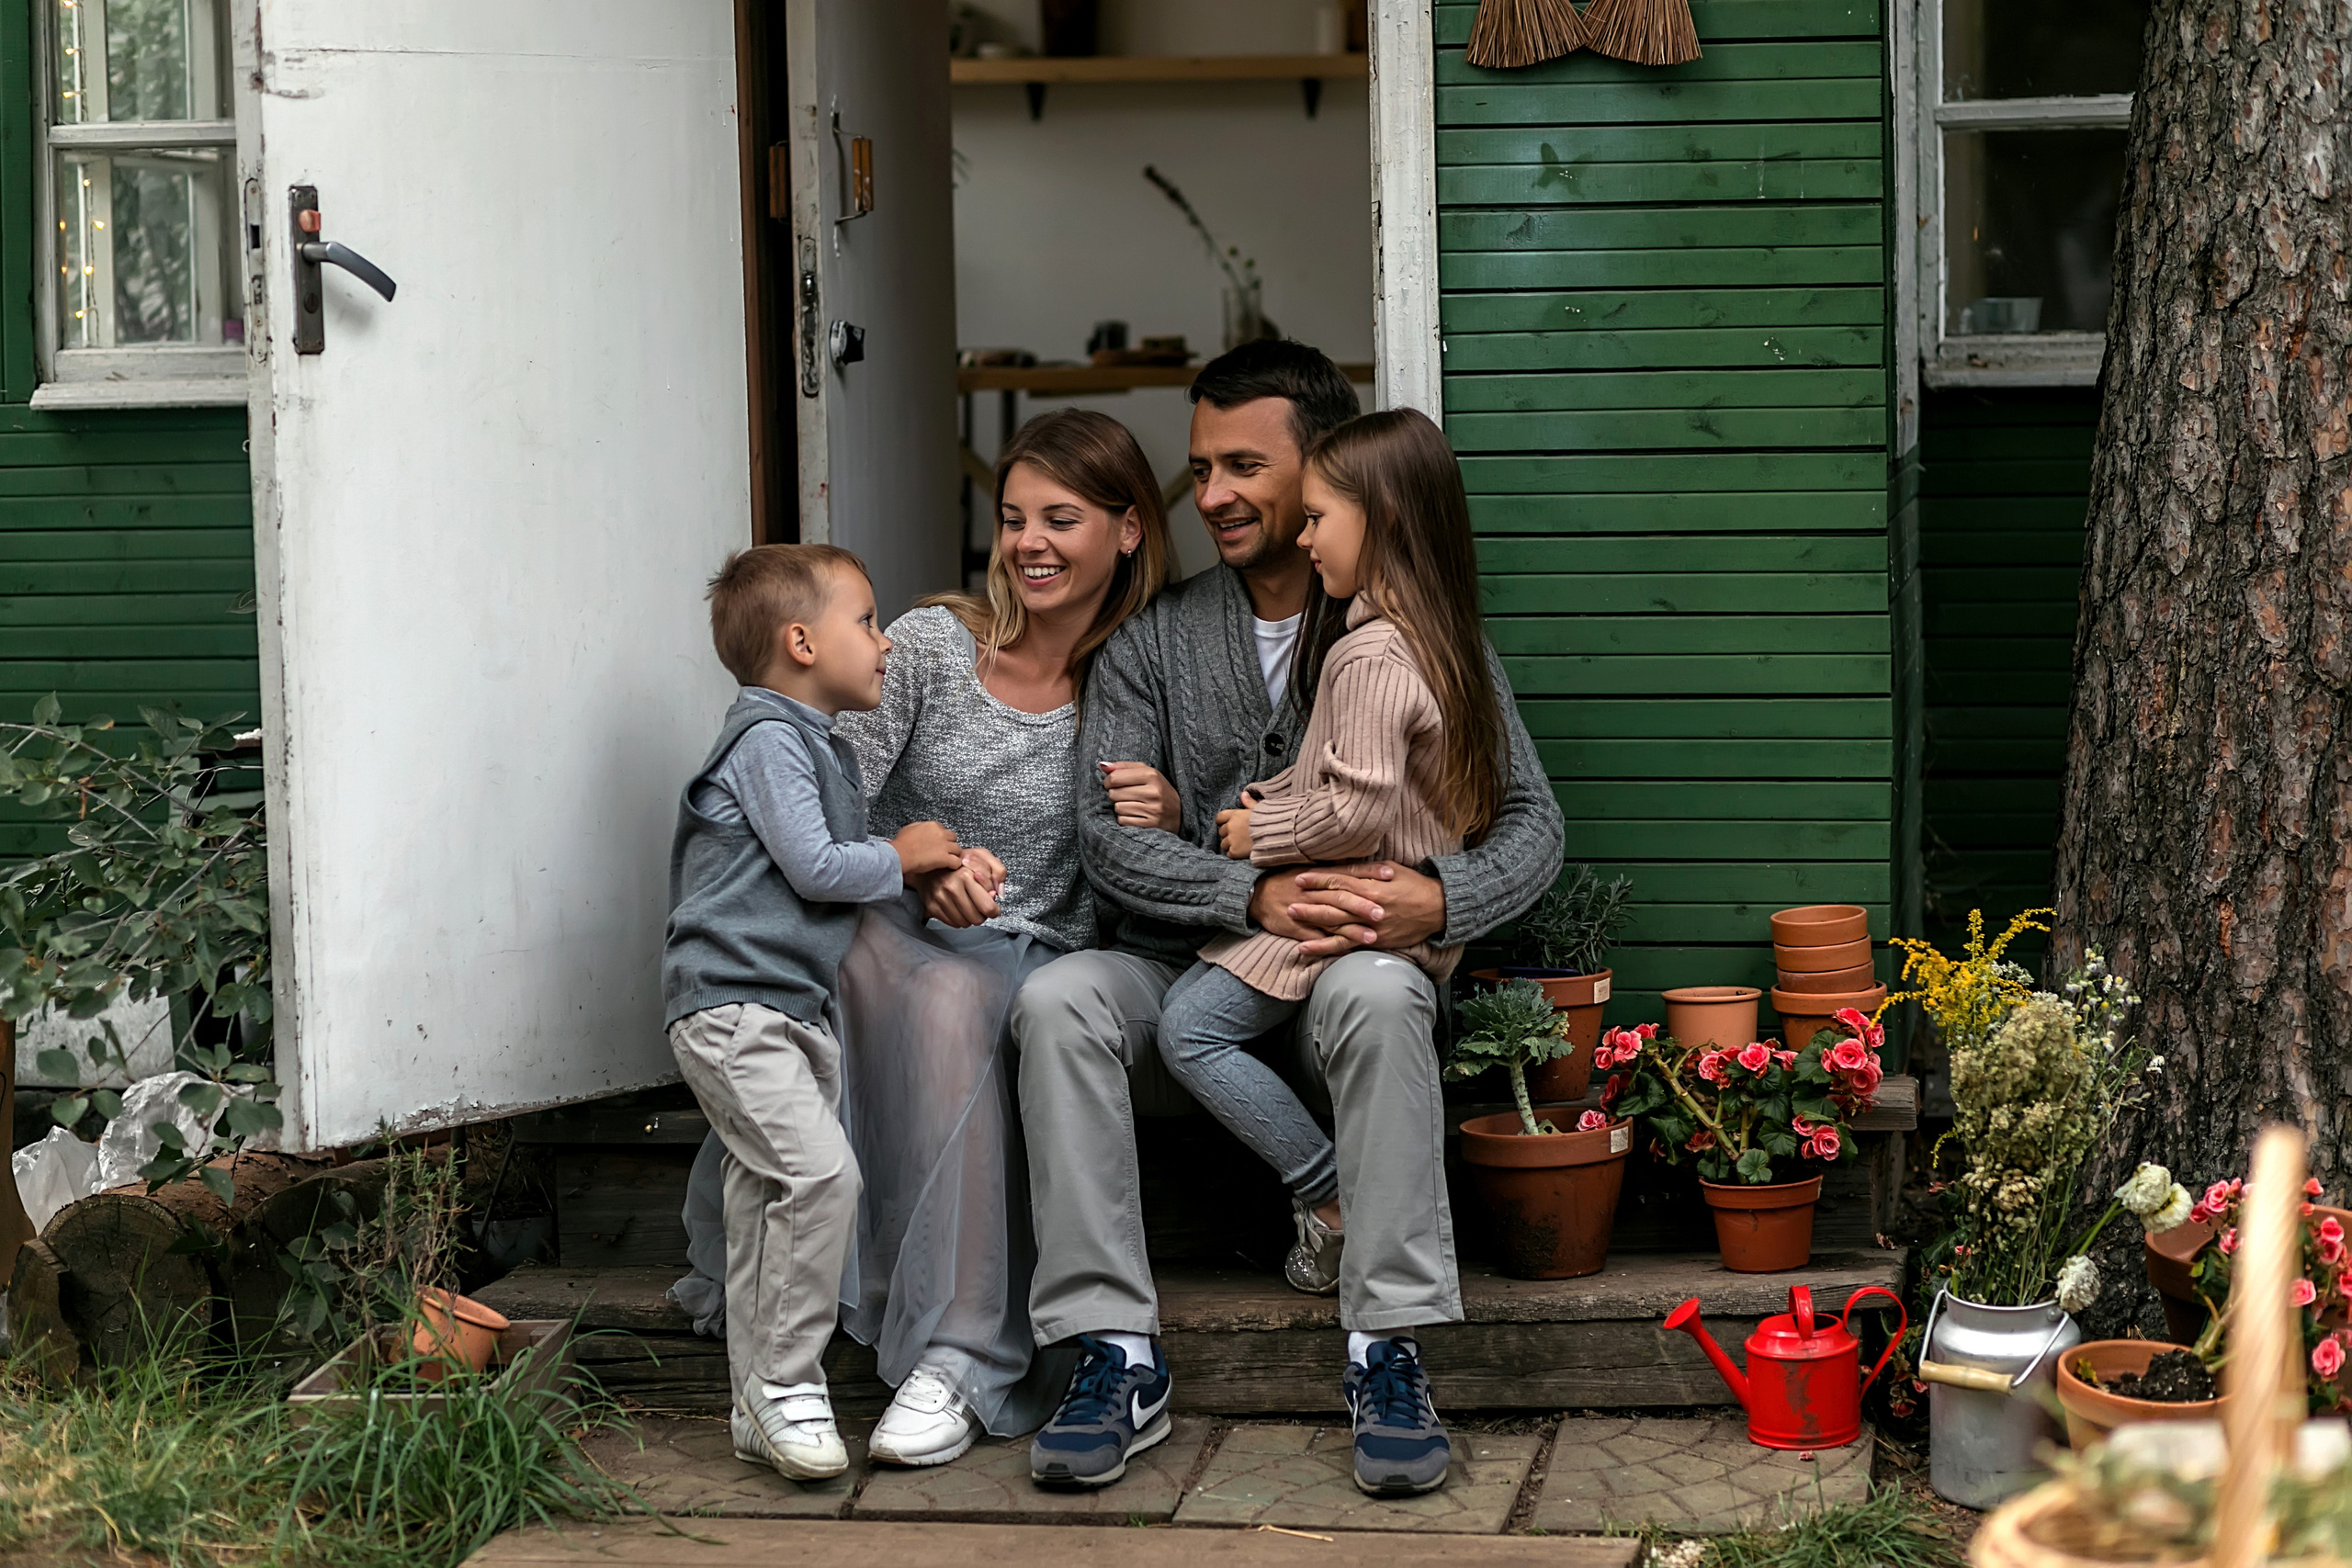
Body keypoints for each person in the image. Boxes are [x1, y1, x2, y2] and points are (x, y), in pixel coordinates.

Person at [1016, 342, 1565, 1497]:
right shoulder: (1155, 636)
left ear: (1324, 471)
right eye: (1198, 467)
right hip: (1183, 962)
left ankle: (1386, 1346)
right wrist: (1244, 888)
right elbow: (1104, 840)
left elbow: (1532, 824)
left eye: (1242, 467)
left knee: (1374, 989)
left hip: (1354, 965)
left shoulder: (1413, 628)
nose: (1210, 494)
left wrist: (1441, 896)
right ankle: (1111, 1349)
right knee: (1060, 999)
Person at [670, 410, 1173, 1471]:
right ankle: (794, 1351)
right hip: (881, 913)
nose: (1028, 542)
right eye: (1012, 517)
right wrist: (924, 863)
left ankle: (960, 1348)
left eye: (1061, 519)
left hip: (1032, 943)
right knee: (857, 962)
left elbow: (1144, 867)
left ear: (1127, 534)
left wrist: (1167, 811)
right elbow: (813, 807)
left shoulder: (1139, 678)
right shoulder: (934, 645)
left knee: (959, 1000)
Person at [1156, 411, 1500, 1495]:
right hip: (1354, 909)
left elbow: (1352, 809)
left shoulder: (1367, 647)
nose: (1307, 540)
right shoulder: (1432, 638)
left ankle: (1335, 1205)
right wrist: (1270, 804)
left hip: (1344, 917)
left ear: (1380, 518)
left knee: (1188, 1026)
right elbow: (1369, 785)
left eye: (1318, 517)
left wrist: (1256, 832)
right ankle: (1353, 1228)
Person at [662, 544, 967, 1482]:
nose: (885, 642)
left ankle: (760, 1397)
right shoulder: (767, 738)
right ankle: (790, 1383)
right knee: (819, 1176)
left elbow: (823, 882)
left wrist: (932, 880)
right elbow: (816, 869)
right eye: (868, 622)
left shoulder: (815, 744)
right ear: (801, 642)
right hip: (731, 1006)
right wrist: (905, 852)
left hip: (785, 1008)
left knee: (766, 1196)